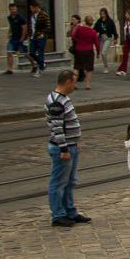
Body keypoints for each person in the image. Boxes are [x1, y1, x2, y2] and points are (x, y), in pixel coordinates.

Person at [46, 69, 87, 227]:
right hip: (63, 148)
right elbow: (57, 128)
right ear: (68, 81)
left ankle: (70, 212)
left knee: (70, 181)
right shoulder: (56, 101)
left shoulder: (63, 98)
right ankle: (58, 214)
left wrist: (74, 142)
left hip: (71, 146)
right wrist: (64, 149)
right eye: (74, 82)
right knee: (58, 183)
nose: (74, 86)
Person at [69, 15, 99, 90]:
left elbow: (73, 36)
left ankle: (73, 84)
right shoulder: (93, 32)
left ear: (85, 21)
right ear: (92, 23)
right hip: (89, 51)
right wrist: (98, 53)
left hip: (79, 50)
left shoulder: (79, 28)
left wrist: (78, 41)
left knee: (77, 68)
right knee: (89, 69)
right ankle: (87, 85)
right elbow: (97, 43)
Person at [28, 1, 51, 77]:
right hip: (33, 37)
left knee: (40, 53)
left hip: (41, 37)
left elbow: (48, 27)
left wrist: (42, 34)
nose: (31, 9)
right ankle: (42, 64)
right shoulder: (32, 16)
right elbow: (31, 26)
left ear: (36, 7)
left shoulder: (44, 15)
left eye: (31, 8)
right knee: (31, 52)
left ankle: (40, 69)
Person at [5, 2, 29, 74]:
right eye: (12, 9)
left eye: (15, 9)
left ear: (16, 9)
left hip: (20, 38)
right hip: (13, 38)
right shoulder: (9, 17)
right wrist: (9, 33)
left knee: (24, 53)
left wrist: (22, 38)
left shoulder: (20, 17)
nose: (14, 10)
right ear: (9, 9)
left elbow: (24, 28)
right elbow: (11, 26)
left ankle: (34, 65)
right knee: (9, 52)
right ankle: (10, 69)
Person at [93, 8, 117, 74]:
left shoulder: (110, 21)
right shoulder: (99, 21)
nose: (102, 15)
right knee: (102, 53)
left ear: (106, 14)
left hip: (108, 38)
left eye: (103, 14)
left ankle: (106, 67)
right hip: (101, 38)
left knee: (103, 52)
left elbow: (114, 30)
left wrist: (115, 38)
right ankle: (105, 64)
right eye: (101, 14)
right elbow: (94, 29)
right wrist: (95, 33)